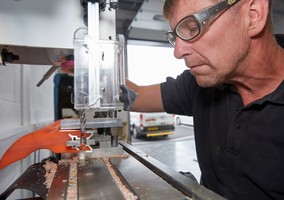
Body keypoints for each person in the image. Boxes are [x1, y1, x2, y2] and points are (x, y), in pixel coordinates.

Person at [119, 0, 284, 199]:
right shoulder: (199, 85)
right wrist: (84, 76)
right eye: (176, 36)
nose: (178, 52)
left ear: (253, 14)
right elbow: (136, 96)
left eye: (192, 27)